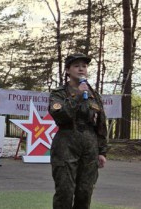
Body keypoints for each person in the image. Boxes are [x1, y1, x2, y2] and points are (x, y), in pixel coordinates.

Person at [48, 53, 108, 209]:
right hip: (66, 143)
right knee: (65, 191)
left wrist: (102, 151)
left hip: (90, 146)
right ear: (67, 70)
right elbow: (61, 115)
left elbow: (101, 124)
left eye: (84, 66)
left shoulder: (94, 95)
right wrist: (78, 95)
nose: (81, 69)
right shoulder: (59, 93)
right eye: (76, 66)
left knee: (85, 192)